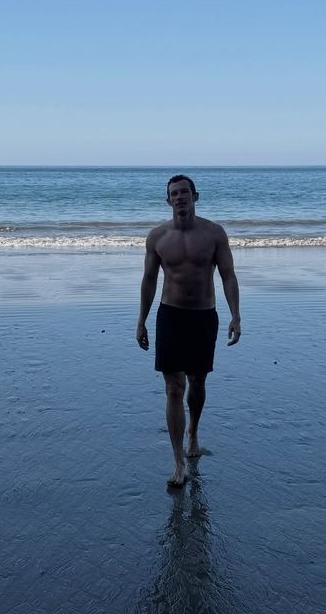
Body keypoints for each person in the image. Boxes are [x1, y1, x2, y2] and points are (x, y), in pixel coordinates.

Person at [136, 174, 241, 489]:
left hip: (203, 317)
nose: (179, 197)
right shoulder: (157, 237)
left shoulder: (214, 234)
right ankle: (178, 461)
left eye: (184, 192)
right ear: (168, 201)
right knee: (173, 389)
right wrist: (141, 320)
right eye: (174, 194)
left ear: (196, 196)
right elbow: (149, 280)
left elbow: (228, 275)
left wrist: (236, 315)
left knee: (197, 382)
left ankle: (193, 430)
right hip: (170, 316)